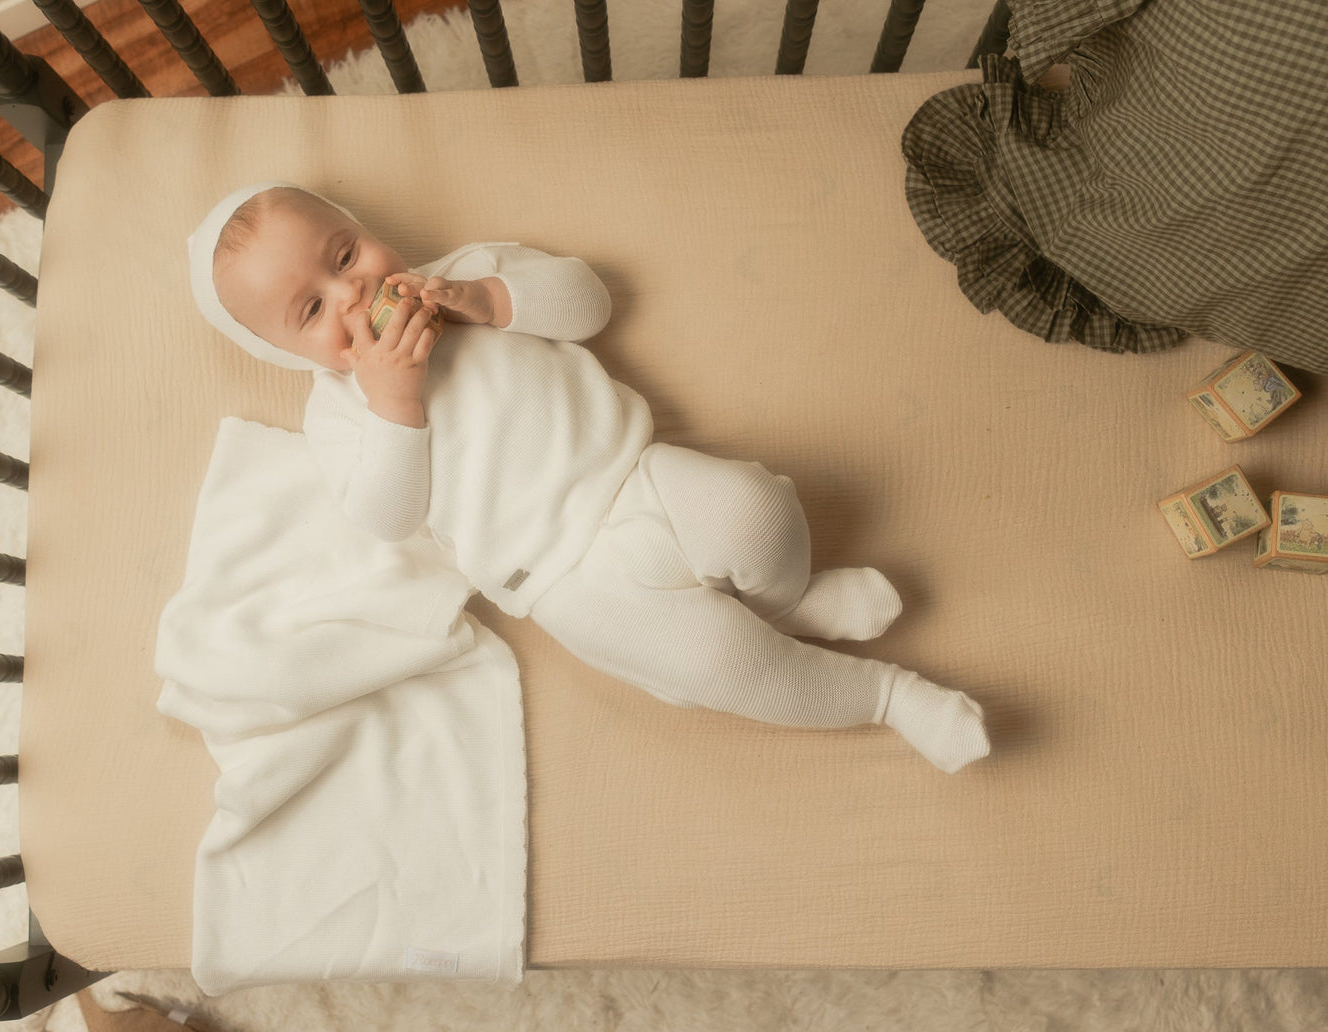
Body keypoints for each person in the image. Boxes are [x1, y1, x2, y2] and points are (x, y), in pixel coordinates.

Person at [188, 181, 991, 774]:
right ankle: (887, 698)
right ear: (284, 353)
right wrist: (394, 399)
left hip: (634, 473)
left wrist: (486, 299)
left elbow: (587, 303)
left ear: (361, 229)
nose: (353, 292)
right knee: (720, 666)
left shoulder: (464, 274)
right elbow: (387, 515)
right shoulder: (338, 413)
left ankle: (789, 601)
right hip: (561, 581)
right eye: (311, 309)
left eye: (344, 255)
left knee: (757, 510)